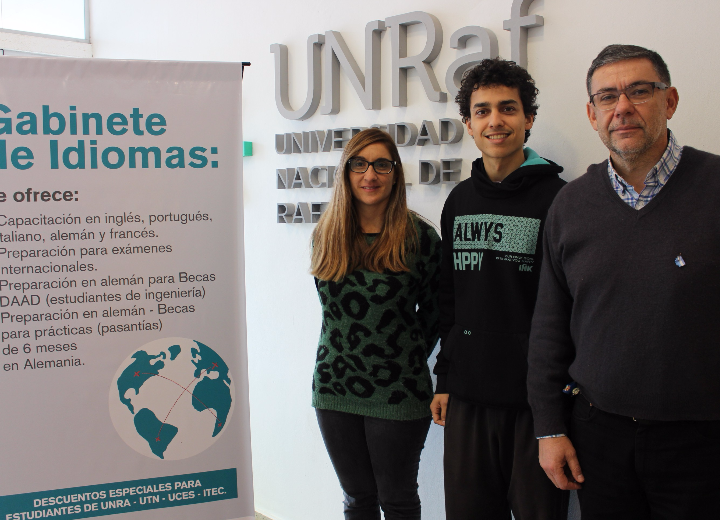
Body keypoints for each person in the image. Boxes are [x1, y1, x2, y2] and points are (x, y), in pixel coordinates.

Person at [528, 44, 720, 519]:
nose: (623, 108)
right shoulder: (570, 206)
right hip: (600, 439)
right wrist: (549, 429)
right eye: (608, 97)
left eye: (639, 91)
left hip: (703, 441)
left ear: (669, 101)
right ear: (592, 115)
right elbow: (550, 327)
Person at [431, 58, 568, 519]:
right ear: (468, 124)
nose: (495, 121)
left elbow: (569, 307)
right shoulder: (459, 201)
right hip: (469, 398)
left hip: (537, 405)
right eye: (483, 110)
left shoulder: (559, 199)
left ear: (528, 119)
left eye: (508, 109)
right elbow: (448, 296)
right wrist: (445, 378)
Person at [310, 128, 441, 520]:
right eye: (360, 164)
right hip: (334, 386)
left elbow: (436, 315)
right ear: (346, 173)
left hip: (399, 391)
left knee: (397, 500)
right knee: (357, 500)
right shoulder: (327, 235)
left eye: (382, 165)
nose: (371, 175)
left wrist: (401, 356)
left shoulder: (418, 237)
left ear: (396, 173)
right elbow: (334, 315)